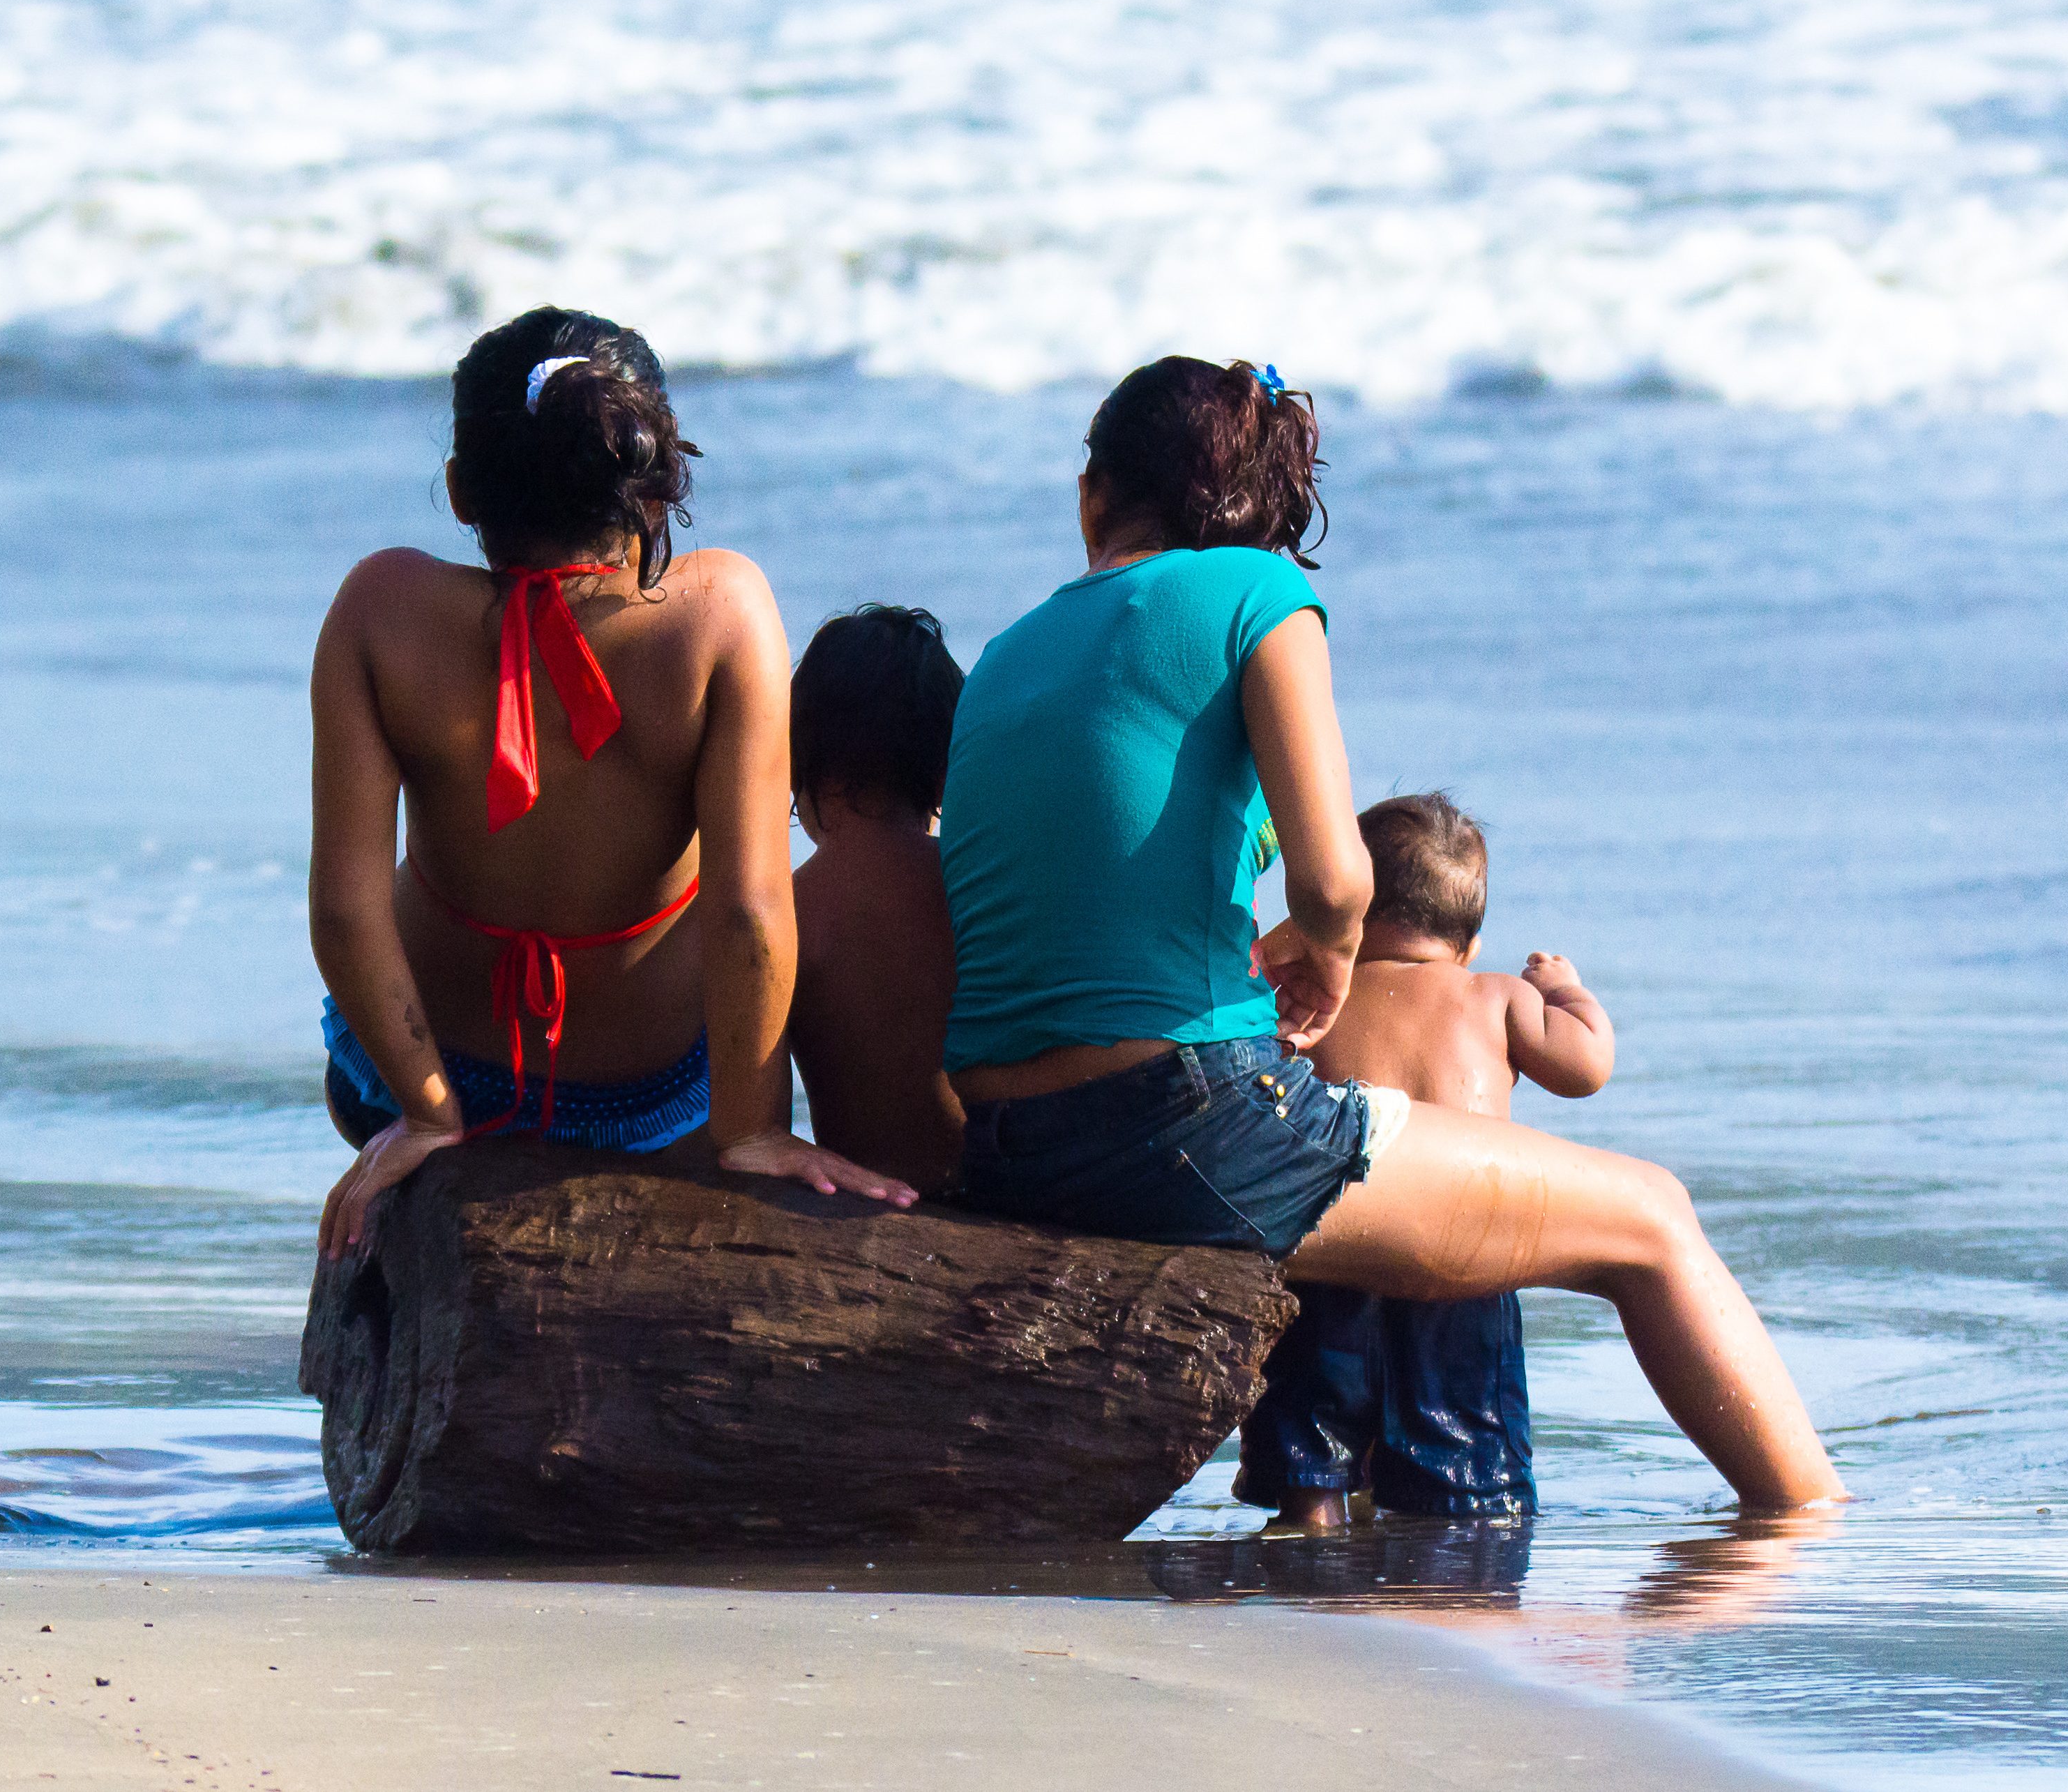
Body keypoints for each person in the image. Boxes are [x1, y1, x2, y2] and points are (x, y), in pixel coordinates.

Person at [937, 357, 1844, 1512]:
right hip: (1179, 1128)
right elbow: (1333, 876)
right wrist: (1324, 951)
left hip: (1008, 1138)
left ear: (1089, 497)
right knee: (1650, 1218)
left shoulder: (1009, 652)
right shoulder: (1256, 597)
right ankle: (1811, 1533)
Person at [310, 307, 915, 1259]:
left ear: (462, 490)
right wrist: (749, 1128)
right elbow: (750, 912)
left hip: (416, 1078)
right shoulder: (720, 613)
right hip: (650, 1106)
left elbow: (346, 912)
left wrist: (428, 1110)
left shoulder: (382, 609)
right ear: (650, 479)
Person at [1237, 792, 1613, 1530]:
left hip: (1336, 1254)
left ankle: (1312, 1521)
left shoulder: (1315, 998)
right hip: (1458, 1269)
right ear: (1468, 943)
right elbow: (1584, 1067)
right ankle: (1452, 1564)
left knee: (1310, 1438)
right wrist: (1562, 990)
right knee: (1466, 1468)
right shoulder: (1496, 996)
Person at [786, 605, 969, 1194]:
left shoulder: (789, 914)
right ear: (945, 768)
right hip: (993, 1196)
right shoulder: (977, 890)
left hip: (858, 1207)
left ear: (798, 760)